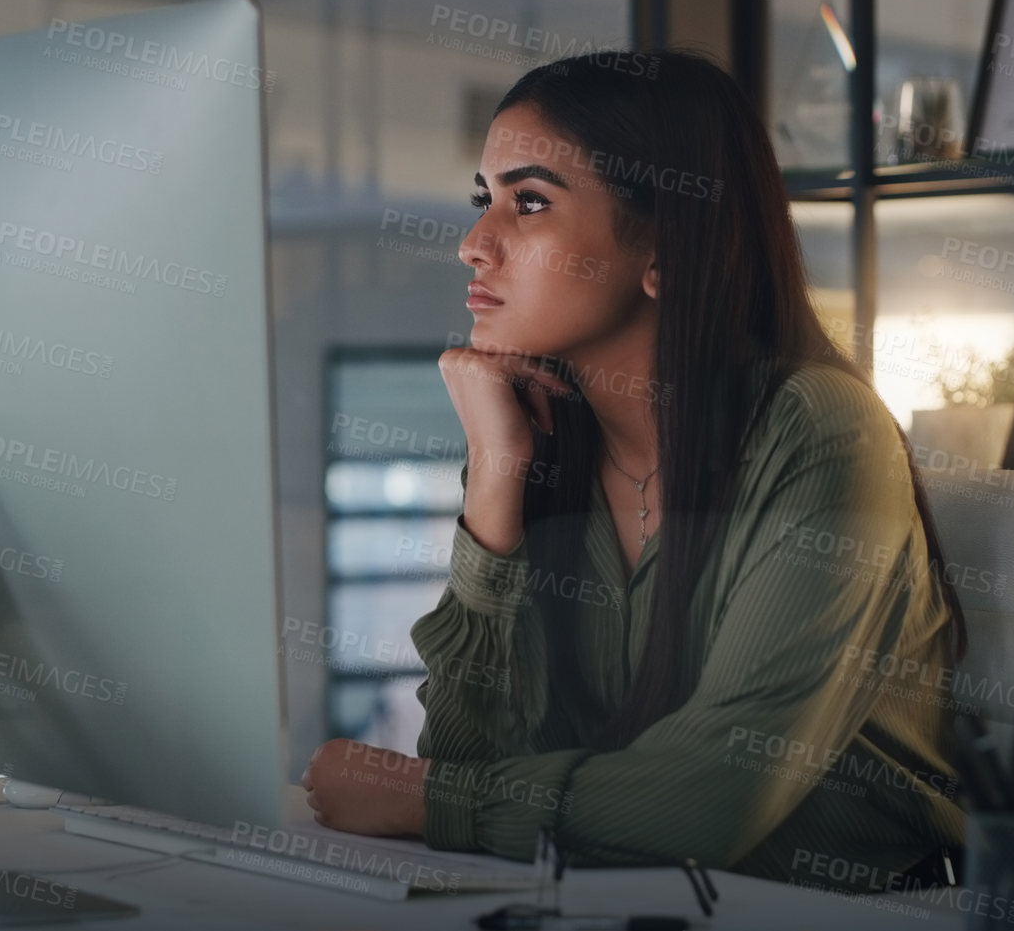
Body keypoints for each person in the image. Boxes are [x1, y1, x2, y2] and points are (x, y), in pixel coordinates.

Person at [301, 49, 967, 892]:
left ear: (664, 249)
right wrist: (495, 475)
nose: (474, 244)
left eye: (529, 202)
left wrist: (423, 797)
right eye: (485, 200)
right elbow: (473, 756)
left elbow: (709, 803)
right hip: (637, 900)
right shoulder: (549, 438)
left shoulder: (821, 431)